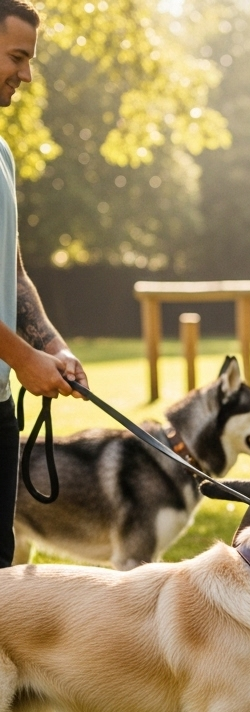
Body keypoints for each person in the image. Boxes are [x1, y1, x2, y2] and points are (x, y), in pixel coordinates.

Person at [0, 0, 88, 569]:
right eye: (16, 56)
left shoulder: (2, 153)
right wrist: (25, 356)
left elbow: (13, 271)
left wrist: (52, 346)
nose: (27, 75)